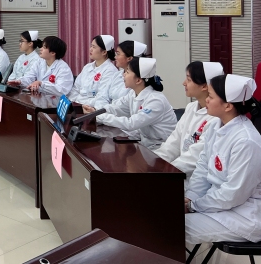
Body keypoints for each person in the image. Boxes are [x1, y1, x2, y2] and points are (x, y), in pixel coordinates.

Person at [184, 74, 261, 245]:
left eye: (211, 97)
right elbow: (203, 167)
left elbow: (233, 194)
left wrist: (193, 206)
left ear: (228, 105)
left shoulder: (246, 141)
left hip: (243, 215)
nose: (207, 100)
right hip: (217, 205)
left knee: (169, 226)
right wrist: (190, 197)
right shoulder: (214, 125)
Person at [84, 57, 177, 149]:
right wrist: (95, 111)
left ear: (138, 80)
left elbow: (131, 124)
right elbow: (116, 107)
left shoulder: (155, 101)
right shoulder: (133, 93)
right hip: (144, 143)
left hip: (161, 147)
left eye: (127, 72)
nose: (124, 75)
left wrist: (99, 116)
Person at [155, 62, 223, 186]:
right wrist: (155, 162)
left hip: (199, 181)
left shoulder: (216, 118)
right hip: (179, 174)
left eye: (189, 79)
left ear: (204, 86)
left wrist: (166, 170)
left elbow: (195, 156)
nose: (184, 83)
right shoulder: (191, 107)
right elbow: (174, 142)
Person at [69, 34, 128, 108]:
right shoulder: (87, 67)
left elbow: (102, 98)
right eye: (91, 46)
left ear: (104, 52)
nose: (90, 49)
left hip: (93, 109)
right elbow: (75, 89)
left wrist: (80, 101)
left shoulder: (110, 71)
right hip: (77, 106)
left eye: (94, 47)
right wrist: (77, 101)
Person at [8, 36, 73, 96]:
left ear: (53, 53)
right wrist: (20, 81)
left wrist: (41, 84)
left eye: (44, 47)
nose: (40, 49)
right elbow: (30, 77)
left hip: (55, 102)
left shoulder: (63, 68)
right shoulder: (39, 62)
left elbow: (61, 90)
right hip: (40, 97)